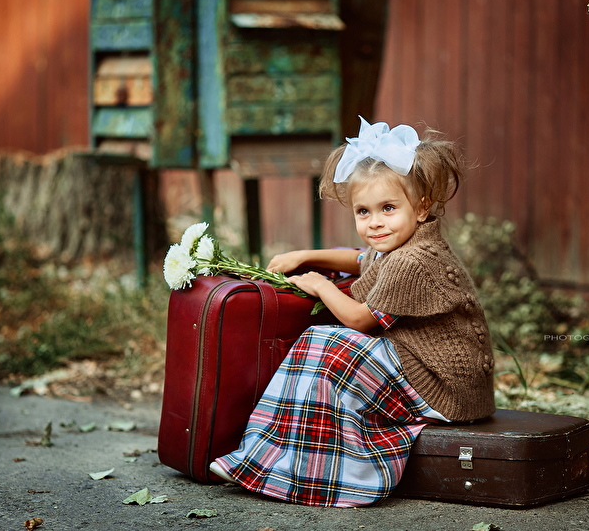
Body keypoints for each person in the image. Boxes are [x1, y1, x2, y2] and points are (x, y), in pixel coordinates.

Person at [210, 116, 495, 507]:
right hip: (422, 366)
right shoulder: (398, 246)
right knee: (322, 345)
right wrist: (306, 254)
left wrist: (320, 283)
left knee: (327, 346)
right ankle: (269, 459)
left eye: (388, 208)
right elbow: (361, 258)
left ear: (423, 208)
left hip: (445, 388)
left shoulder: (413, 261)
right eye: (363, 212)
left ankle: (289, 466)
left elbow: (362, 319)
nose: (375, 222)